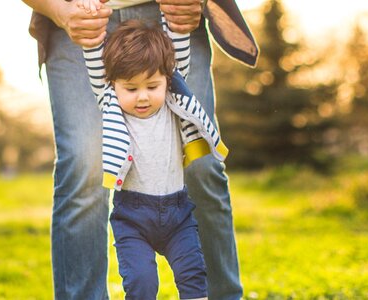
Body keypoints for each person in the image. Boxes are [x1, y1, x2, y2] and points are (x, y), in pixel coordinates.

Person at [20, 0, 259, 299]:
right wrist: (58, 11)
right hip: (81, 18)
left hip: (173, 11)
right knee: (84, 165)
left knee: (201, 163)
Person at [81, 15, 223, 299]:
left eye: (152, 86)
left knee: (193, 276)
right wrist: (90, 13)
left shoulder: (172, 98)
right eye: (131, 89)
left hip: (178, 214)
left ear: (167, 79)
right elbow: (94, 52)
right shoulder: (109, 102)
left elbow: (177, 41)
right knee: (141, 283)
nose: (142, 97)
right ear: (113, 84)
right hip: (132, 217)